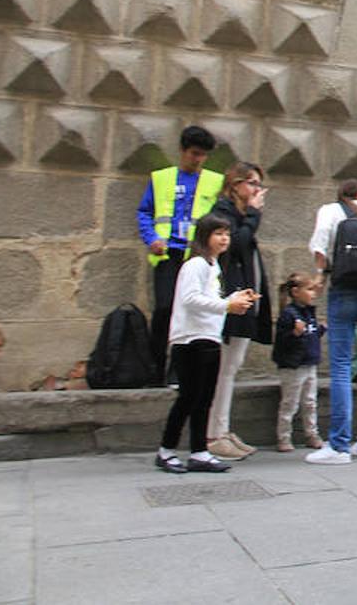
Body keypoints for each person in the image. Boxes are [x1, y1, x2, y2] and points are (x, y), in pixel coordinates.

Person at [155, 213, 257, 473]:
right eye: (218, 234)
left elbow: (209, 298)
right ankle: (166, 450)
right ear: (205, 237)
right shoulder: (196, 264)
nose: (224, 239)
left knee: (203, 399)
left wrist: (234, 297)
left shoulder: (213, 267)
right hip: (190, 338)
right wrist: (227, 305)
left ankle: (199, 451)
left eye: (227, 234)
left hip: (209, 336)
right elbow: (190, 298)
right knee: (188, 397)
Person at [306, 179, 357, 465]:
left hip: (344, 291)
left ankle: (339, 445)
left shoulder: (330, 211)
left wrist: (319, 276)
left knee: (341, 366)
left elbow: (320, 250)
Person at [136, 125, 222, 386]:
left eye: (203, 155)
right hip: (168, 254)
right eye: (194, 153)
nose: (198, 160)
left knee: (192, 313)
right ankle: (156, 370)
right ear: (183, 151)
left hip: (197, 258)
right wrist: (152, 239)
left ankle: (180, 371)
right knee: (164, 309)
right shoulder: (161, 178)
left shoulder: (214, 181)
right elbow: (144, 212)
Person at [205, 162, 273, 460]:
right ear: (235, 185)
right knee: (222, 371)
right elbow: (235, 245)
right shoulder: (223, 213)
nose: (258, 190)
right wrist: (254, 214)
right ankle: (213, 435)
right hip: (229, 304)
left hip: (243, 303)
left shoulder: (239, 216)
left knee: (230, 369)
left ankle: (222, 429)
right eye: (253, 184)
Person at [271, 272, 324, 453]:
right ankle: (284, 437)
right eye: (309, 290)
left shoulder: (309, 313)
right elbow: (281, 341)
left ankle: (312, 434)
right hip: (293, 366)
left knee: (310, 401)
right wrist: (294, 333)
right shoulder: (289, 314)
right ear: (295, 292)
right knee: (290, 403)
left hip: (309, 363)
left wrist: (320, 330)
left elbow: (313, 333)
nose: (313, 293)